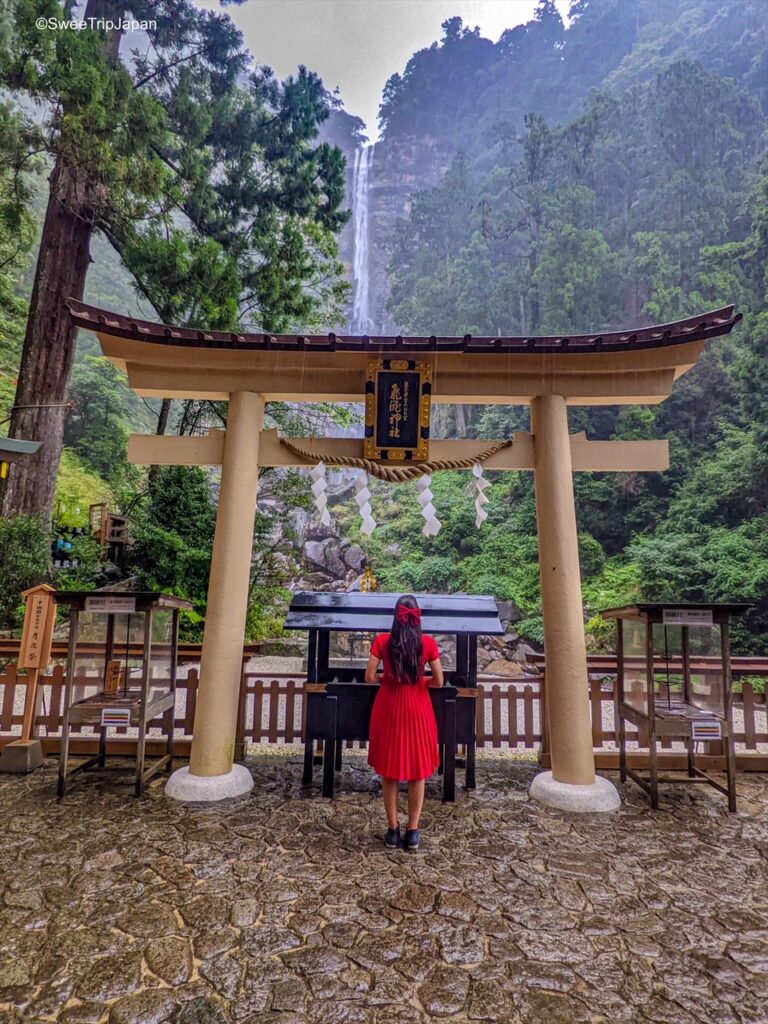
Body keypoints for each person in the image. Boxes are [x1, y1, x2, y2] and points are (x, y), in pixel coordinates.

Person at [365, 594, 443, 850]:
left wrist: (387, 679)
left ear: (395, 616)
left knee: (390, 772)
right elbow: (439, 681)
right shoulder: (428, 643)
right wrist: (421, 682)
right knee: (417, 772)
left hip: (389, 707)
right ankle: (413, 832)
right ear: (417, 616)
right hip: (418, 707)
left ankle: (392, 830)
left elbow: (369, 677)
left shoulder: (383, 641)